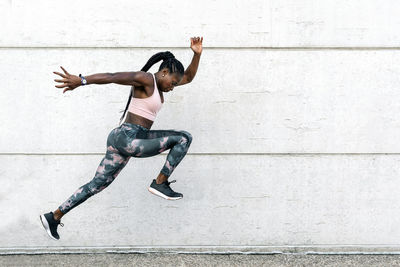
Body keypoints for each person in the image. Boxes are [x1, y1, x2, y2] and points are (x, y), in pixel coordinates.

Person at [40, 37, 203, 240]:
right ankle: (160, 182)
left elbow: (188, 76)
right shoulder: (146, 79)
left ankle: (54, 216)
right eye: (172, 82)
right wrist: (81, 80)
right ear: (164, 72)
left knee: (96, 185)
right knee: (183, 138)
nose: (173, 87)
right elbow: (113, 76)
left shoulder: (160, 86)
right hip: (128, 137)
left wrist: (196, 54)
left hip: (126, 140)